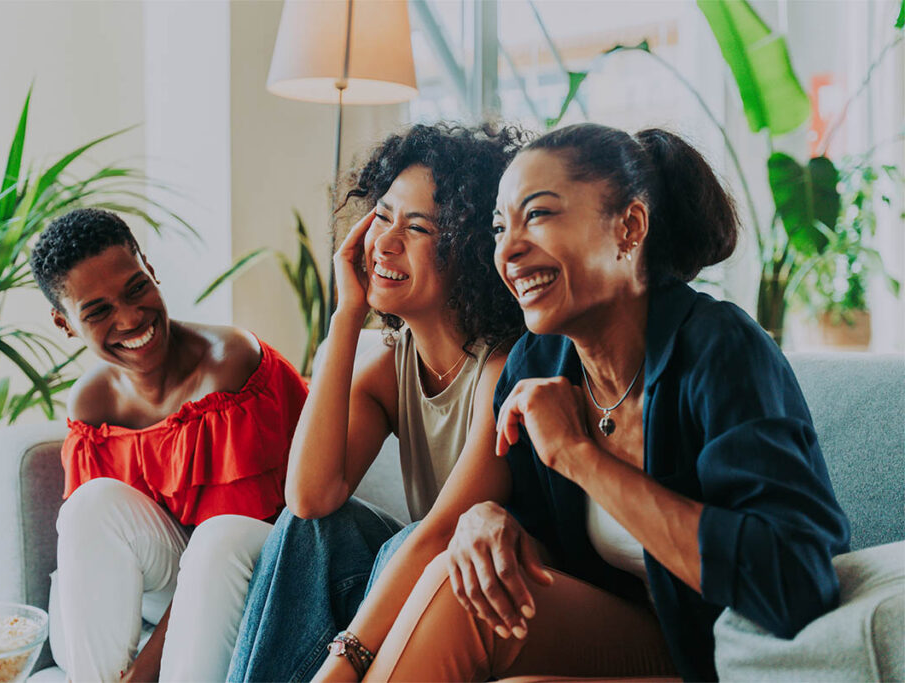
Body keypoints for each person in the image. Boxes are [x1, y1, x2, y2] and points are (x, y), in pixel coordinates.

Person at [356, 123, 851, 682]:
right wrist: (490, 523)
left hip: (726, 655)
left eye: (537, 215)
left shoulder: (720, 350)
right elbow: (536, 538)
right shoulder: (538, 362)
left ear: (629, 227)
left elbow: (797, 581)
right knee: (469, 587)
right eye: (500, 227)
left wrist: (579, 456)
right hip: (633, 640)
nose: (510, 250)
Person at [227, 123, 528, 682]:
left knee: (412, 541)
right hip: (426, 575)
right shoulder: (392, 365)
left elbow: (442, 532)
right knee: (310, 531)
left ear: (468, 248)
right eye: (382, 216)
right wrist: (345, 317)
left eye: (417, 228)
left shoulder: (504, 365)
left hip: (494, 592)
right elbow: (310, 498)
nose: (386, 242)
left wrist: (342, 665)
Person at [29, 208, 308, 682]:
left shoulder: (229, 363)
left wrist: (143, 672)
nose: (131, 318)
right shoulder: (92, 403)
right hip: (176, 583)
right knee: (87, 506)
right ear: (66, 324)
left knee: (218, 539)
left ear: (151, 271)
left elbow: (232, 539)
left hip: (265, 571)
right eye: (97, 312)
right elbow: (102, 552)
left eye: (136, 288)